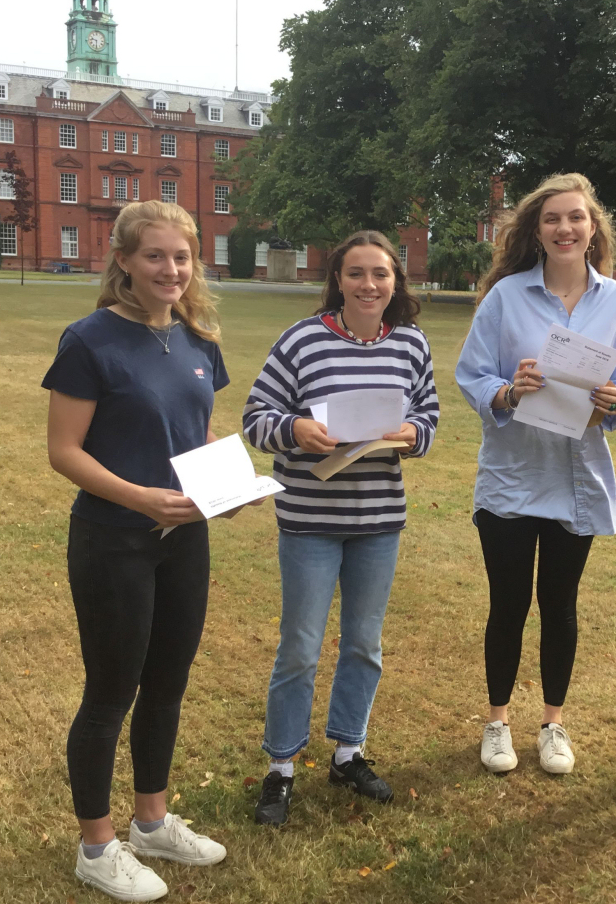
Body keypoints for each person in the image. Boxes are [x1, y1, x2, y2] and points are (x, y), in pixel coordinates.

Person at [43, 200, 232, 901]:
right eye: (155, 256)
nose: (171, 269)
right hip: (113, 541)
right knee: (110, 693)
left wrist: (231, 484)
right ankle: (97, 846)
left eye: (182, 257)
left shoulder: (197, 341)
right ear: (123, 260)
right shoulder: (89, 341)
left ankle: (151, 822)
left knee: (169, 684)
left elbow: (198, 435)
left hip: (185, 540)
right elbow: (64, 452)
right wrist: (142, 498)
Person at [242, 229, 439, 826]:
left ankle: (348, 752)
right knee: (300, 647)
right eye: (357, 273)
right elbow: (256, 419)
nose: (369, 285)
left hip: (378, 520)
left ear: (395, 282)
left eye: (381, 274)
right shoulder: (303, 340)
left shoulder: (410, 344)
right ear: (338, 280)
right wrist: (296, 429)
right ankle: (281, 769)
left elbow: (428, 417)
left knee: (363, 643)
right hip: (309, 519)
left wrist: (410, 435)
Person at [455, 173, 616, 776]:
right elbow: (471, 374)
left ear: (593, 229)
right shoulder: (506, 297)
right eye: (552, 219)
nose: (565, 228)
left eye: (576, 218)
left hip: (577, 480)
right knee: (507, 606)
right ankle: (497, 722)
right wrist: (510, 392)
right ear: (536, 232)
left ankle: (554, 724)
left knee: (560, 606)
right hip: (512, 479)